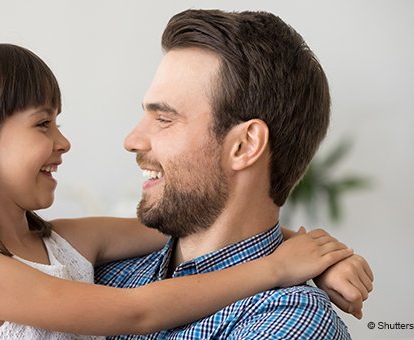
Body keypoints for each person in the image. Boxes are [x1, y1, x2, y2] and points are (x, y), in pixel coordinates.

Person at [0, 42, 356, 339]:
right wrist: (274, 266)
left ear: (245, 144)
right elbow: (136, 313)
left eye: (164, 118)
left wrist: (314, 251)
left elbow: (223, 225)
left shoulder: (73, 244)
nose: (65, 141)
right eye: (43, 124)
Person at [92, 9, 372, 339]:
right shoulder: (104, 275)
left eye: (164, 119)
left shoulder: (293, 322)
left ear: (244, 145)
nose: (132, 141)